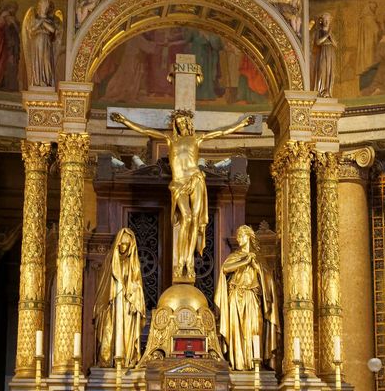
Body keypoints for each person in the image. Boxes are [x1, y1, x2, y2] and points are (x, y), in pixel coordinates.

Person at [111, 110, 254, 281]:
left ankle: (188, 262)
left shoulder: (197, 139)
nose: (181, 126)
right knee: (185, 218)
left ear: (188, 123)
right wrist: (125, 121)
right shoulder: (171, 140)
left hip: (195, 179)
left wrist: (242, 124)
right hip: (178, 183)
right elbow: (146, 131)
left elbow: (221, 132)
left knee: (194, 219)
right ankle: (181, 261)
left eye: (183, 122)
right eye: (178, 123)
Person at [215, 225, 278, 371]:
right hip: (236, 296)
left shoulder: (259, 258)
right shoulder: (234, 256)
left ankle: (255, 364)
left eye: (242, 235)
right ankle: (238, 363)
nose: (238, 239)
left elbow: (268, 281)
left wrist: (256, 267)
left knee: (254, 328)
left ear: (249, 236)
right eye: (237, 236)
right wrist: (245, 261)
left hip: (251, 296)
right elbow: (225, 269)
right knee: (237, 329)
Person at [94, 228, 146, 368]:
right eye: (121, 244)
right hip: (114, 306)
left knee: (126, 331)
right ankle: (107, 359)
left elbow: (137, 286)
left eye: (126, 245)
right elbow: (105, 288)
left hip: (127, 307)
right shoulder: (110, 264)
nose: (123, 247)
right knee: (111, 330)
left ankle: (128, 357)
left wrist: (135, 299)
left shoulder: (133, 266)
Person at [22, 0, 60, 88]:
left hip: (46, 42)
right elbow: (31, 30)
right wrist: (41, 21)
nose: (45, 8)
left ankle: (46, 81)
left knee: (46, 60)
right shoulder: (34, 19)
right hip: (37, 42)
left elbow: (52, 30)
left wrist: (43, 21)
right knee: (37, 59)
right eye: (44, 5)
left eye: (46, 6)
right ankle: (37, 81)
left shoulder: (49, 20)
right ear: (40, 6)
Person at [312, 13, 337, 97]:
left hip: (331, 53)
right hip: (323, 52)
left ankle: (328, 91)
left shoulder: (331, 34)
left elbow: (336, 44)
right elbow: (318, 42)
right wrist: (327, 35)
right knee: (322, 70)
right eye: (325, 20)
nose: (326, 22)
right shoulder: (319, 31)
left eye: (328, 20)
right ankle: (320, 90)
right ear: (322, 21)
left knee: (330, 71)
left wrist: (330, 34)